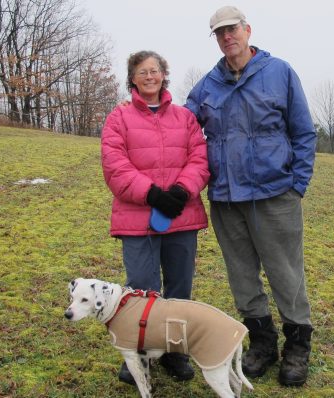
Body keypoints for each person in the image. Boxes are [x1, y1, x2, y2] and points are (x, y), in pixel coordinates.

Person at [186, 6, 317, 387]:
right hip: (227, 198)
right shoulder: (208, 84)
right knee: (242, 276)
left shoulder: (280, 73)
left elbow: (304, 132)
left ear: (247, 30)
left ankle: (297, 345)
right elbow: (182, 129)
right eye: (220, 33)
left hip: (276, 195)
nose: (228, 37)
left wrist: (297, 185)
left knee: (285, 273)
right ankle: (262, 342)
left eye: (233, 30)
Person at [101, 50, 209, 384]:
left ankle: (175, 353)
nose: (150, 76)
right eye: (142, 71)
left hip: (181, 216)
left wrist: (180, 192)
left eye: (156, 70)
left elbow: (199, 159)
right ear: (132, 77)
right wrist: (151, 194)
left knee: (178, 291)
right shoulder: (117, 119)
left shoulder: (185, 118)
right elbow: (114, 166)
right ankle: (138, 356)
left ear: (164, 75)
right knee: (141, 292)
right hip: (137, 219)